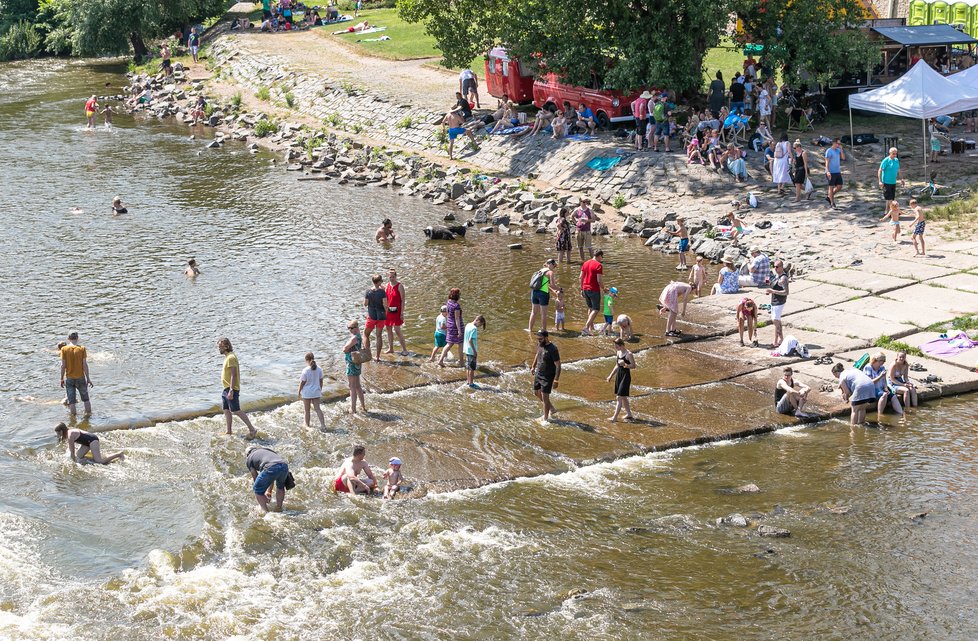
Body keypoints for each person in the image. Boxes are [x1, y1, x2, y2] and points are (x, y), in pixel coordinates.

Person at [218, 337, 257, 438]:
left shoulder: (231, 357)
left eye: (220, 346)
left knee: (235, 410)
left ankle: (252, 429)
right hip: (226, 388)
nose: (219, 349)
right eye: (218, 346)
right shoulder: (227, 357)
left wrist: (231, 390)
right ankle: (229, 431)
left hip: (231, 388)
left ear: (226, 346)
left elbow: (233, 375)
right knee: (226, 410)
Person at [246, 445, 290, 512]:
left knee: (257, 489)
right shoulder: (266, 450)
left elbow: (255, 477)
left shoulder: (249, 459)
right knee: (280, 487)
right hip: (284, 465)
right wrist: (269, 491)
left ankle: (266, 511)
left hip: (270, 467)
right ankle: (279, 507)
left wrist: (261, 493)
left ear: (247, 454)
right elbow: (270, 477)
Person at [55, 423, 124, 464]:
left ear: (61, 431)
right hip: (86, 443)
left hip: (92, 440)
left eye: (57, 432)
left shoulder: (70, 435)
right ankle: (92, 459)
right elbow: (71, 450)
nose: (57, 434)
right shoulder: (68, 432)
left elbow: (72, 451)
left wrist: (73, 464)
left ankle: (119, 454)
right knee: (78, 457)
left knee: (99, 461)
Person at [60, 331, 93, 416]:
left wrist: (61, 379)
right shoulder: (82, 348)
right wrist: (88, 378)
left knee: (72, 402)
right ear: (77, 338)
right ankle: (88, 418)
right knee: (86, 399)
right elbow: (85, 364)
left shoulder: (64, 349)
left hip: (69, 378)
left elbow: (63, 365)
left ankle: (73, 420)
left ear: (68, 338)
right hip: (81, 377)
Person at [530, 330, 561, 422]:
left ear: (546, 338)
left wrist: (556, 380)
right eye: (538, 339)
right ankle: (552, 409)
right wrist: (533, 366)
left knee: (545, 396)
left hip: (548, 376)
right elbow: (537, 354)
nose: (539, 341)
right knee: (537, 393)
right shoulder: (540, 344)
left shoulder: (553, 349)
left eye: (540, 339)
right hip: (538, 373)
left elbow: (558, 366)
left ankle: (545, 418)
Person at [863, 352, 903, 417]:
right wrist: (880, 376)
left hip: (881, 389)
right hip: (871, 390)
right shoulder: (868, 367)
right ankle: (880, 414)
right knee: (884, 395)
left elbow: (884, 380)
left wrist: (886, 388)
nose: (884, 362)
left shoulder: (882, 367)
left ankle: (901, 413)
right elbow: (870, 383)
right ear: (877, 360)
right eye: (883, 361)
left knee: (893, 396)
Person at [606, 338, 636, 421]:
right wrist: (610, 376)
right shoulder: (618, 352)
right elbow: (617, 365)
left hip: (625, 376)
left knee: (619, 397)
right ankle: (629, 414)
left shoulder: (629, 354)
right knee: (623, 397)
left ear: (622, 345)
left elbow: (633, 366)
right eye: (615, 346)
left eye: (617, 346)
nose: (616, 348)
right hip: (619, 375)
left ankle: (614, 417)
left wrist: (625, 364)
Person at [343, 320, 367, 414]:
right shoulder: (359, 336)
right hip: (357, 362)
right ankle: (363, 406)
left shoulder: (354, 338)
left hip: (351, 363)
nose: (350, 330)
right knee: (357, 386)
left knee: (352, 386)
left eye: (352, 328)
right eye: (348, 328)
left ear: (356, 327)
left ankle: (353, 409)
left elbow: (345, 349)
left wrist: (345, 348)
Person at [298, 352, 326, 430]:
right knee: (317, 409)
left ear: (306, 360)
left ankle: (307, 425)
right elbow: (321, 381)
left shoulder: (305, 370)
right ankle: (323, 425)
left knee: (307, 410)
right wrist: (320, 389)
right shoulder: (319, 369)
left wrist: (299, 392)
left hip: (307, 393)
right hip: (316, 392)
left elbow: (302, 383)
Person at [384, 268, 409, 356]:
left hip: (396, 311)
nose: (392, 279)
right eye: (390, 277)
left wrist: (402, 312)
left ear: (396, 276)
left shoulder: (399, 286)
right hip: (388, 311)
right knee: (388, 329)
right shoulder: (387, 286)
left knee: (397, 330)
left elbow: (403, 300)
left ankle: (404, 349)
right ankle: (391, 348)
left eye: (393, 277)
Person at [529, 258, 557, 334]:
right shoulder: (550, 272)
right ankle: (544, 331)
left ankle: (530, 330)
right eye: (554, 266)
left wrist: (552, 291)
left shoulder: (540, 271)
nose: (554, 268)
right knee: (544, 314)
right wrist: (559, 288)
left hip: (534, 292)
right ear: (551, 264)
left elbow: (544, 285)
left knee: (534, 312)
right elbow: (553, 285)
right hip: (543, 294)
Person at [765, 259, 789, 348]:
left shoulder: (783, 278)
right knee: (776, 321)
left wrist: (773, 291)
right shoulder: (777, 276)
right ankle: (777, 341)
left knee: (775, 321)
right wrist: (768, 284)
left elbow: (786, 292)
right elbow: (773, 285)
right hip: (774, 301)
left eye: (777, 267)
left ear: (782, 267)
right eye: (774, 266)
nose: (775, 268)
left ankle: (779, 341)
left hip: (779, 302)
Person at [363, 274, 388, 360]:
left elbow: (365, 304)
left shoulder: (368, 291)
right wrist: (387, 311)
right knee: (379, 336)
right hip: (381, 316)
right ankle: (377, 357)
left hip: (372, 316)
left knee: (366, 334)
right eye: (381, 281)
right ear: (379, 282)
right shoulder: (382, 292)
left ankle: (367, 354)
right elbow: (385, 305)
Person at [579, 249, 604, 335]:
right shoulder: (598, 265)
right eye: (601, 257)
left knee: (590, 307)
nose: (601, 259)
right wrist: (604, 288)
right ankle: (586, 327)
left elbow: (580, 277)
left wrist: (581, 289)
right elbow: (599, 280)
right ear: (599, 256)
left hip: (585, 288)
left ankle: (591, 327)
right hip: (594, 289)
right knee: (596, 309)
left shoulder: (585, 263)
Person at [437, 288, 463, 366]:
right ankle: (461, 362)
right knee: (460, 343)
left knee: (449, 343)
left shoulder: (448, 302)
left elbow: (448, 314)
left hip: (450, 324)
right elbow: (457, 318)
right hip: (456, 326)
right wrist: (459, 330)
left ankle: (440, 360)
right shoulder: (456, 306)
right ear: (457, 296)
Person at [877, 147, 903, 215]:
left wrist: (902, 179)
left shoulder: (896, 160)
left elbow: (898, 170)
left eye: (895, 154)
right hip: (886, 182)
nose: (894, 155)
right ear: (890, 153)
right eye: (893, 153)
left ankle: (887, 211)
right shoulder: (886, 160)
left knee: (890, 198)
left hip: (893, 182)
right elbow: (880, 170)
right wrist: (880, 181)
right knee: (890, 198)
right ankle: (893, 211)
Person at [463, 315, 485, 388]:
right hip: (471, 350)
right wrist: (474, 351)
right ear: (478, 321)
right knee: (472, 368)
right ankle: (471, 383)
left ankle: (468, 381)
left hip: (466, 349)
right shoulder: (474, 328)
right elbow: (470, 340)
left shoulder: (468, 325)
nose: (479, 326)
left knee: (468, 367)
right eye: (480, 324)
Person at [824, 138, 846, 209]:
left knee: (839, 186)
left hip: (837, 171)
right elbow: (827, 162)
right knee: (831, 187)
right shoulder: (829, 151)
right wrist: (827, 171)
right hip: (831, 172)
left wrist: (841, 149)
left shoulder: (838, 150)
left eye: (839, 144)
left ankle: (829, 196)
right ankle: (832, 203)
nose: (839, 145)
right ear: (834, 143)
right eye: (838, 143)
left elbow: (843, 158)